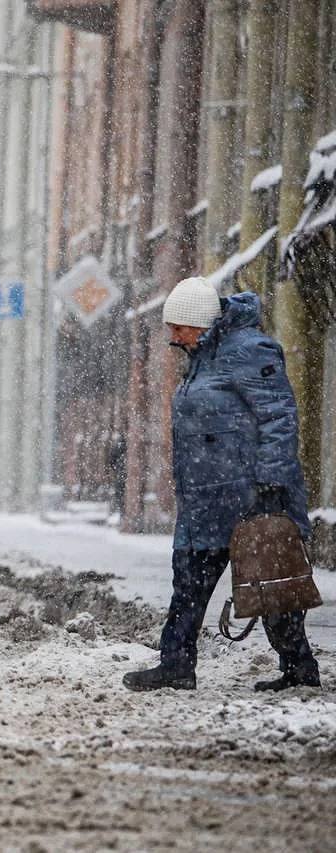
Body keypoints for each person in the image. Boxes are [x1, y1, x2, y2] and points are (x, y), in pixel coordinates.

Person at [123, 277, 320, 692]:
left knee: (272, 584)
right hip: (205, 500)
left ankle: (299, 668)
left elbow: (279, 419)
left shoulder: (250, 352)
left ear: (203, 323)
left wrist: (270, 481)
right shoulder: (201, 357)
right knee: (188, 583)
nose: (172, 336)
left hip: (254, 497)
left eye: (179, 327)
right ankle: (176, 665)